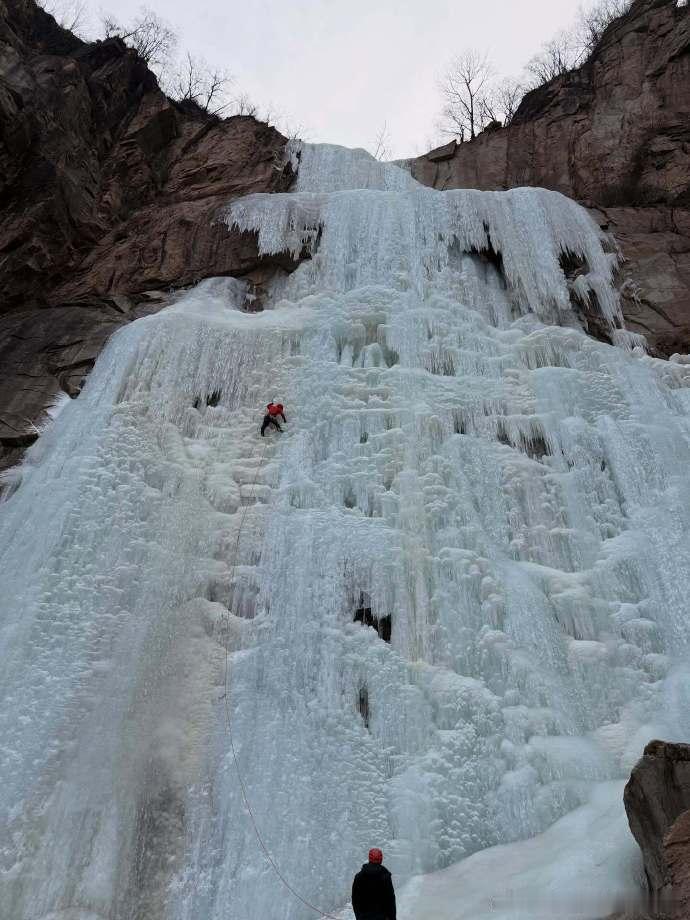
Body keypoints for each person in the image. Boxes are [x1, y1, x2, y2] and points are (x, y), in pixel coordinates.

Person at [351, 848, 396, 920]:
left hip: (364, 917)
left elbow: (355, 899)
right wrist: (392, 918)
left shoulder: (359, 876)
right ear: (381, 859)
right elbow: (390, 900)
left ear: (369, 858)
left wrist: (359, 917)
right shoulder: (385, 876)